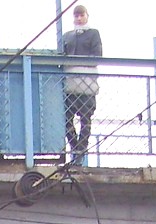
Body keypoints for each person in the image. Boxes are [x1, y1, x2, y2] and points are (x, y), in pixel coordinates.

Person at [59, 3, 100, 165]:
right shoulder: (67, 36)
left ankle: (80, 150)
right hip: (71, 83)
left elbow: (97, 55)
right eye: (76, 15)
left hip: (87, 83)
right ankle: (76, 148)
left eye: (82, 15)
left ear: (87, 16)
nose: (79, 18)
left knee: (85, 118)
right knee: (67, 118)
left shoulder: (93, 34)